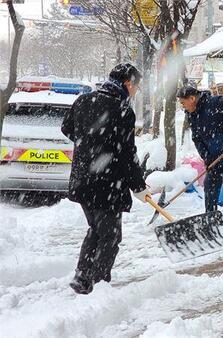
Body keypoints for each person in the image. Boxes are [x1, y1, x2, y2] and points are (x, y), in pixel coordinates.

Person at [61, 63, 151, 294]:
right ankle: (99, 285)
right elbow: (127, 154)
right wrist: (138, 186)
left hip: (83, 180)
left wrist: (89, 145)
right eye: (136, 87)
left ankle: (82, 276)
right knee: (110, 235)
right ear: (128, 83)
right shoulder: (122, 110)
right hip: (107, 183)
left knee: (96, 228)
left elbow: (66, 128)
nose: (136, 92)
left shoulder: (83, 100)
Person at [176, 85, 223, 230]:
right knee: (210, 186)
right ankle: (210, 219)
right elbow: (197, 138)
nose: (182, 106)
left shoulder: (215, 102)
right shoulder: (191, 114)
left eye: (183, 102)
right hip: (215, 155)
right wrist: (207, 158)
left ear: (192, 98)